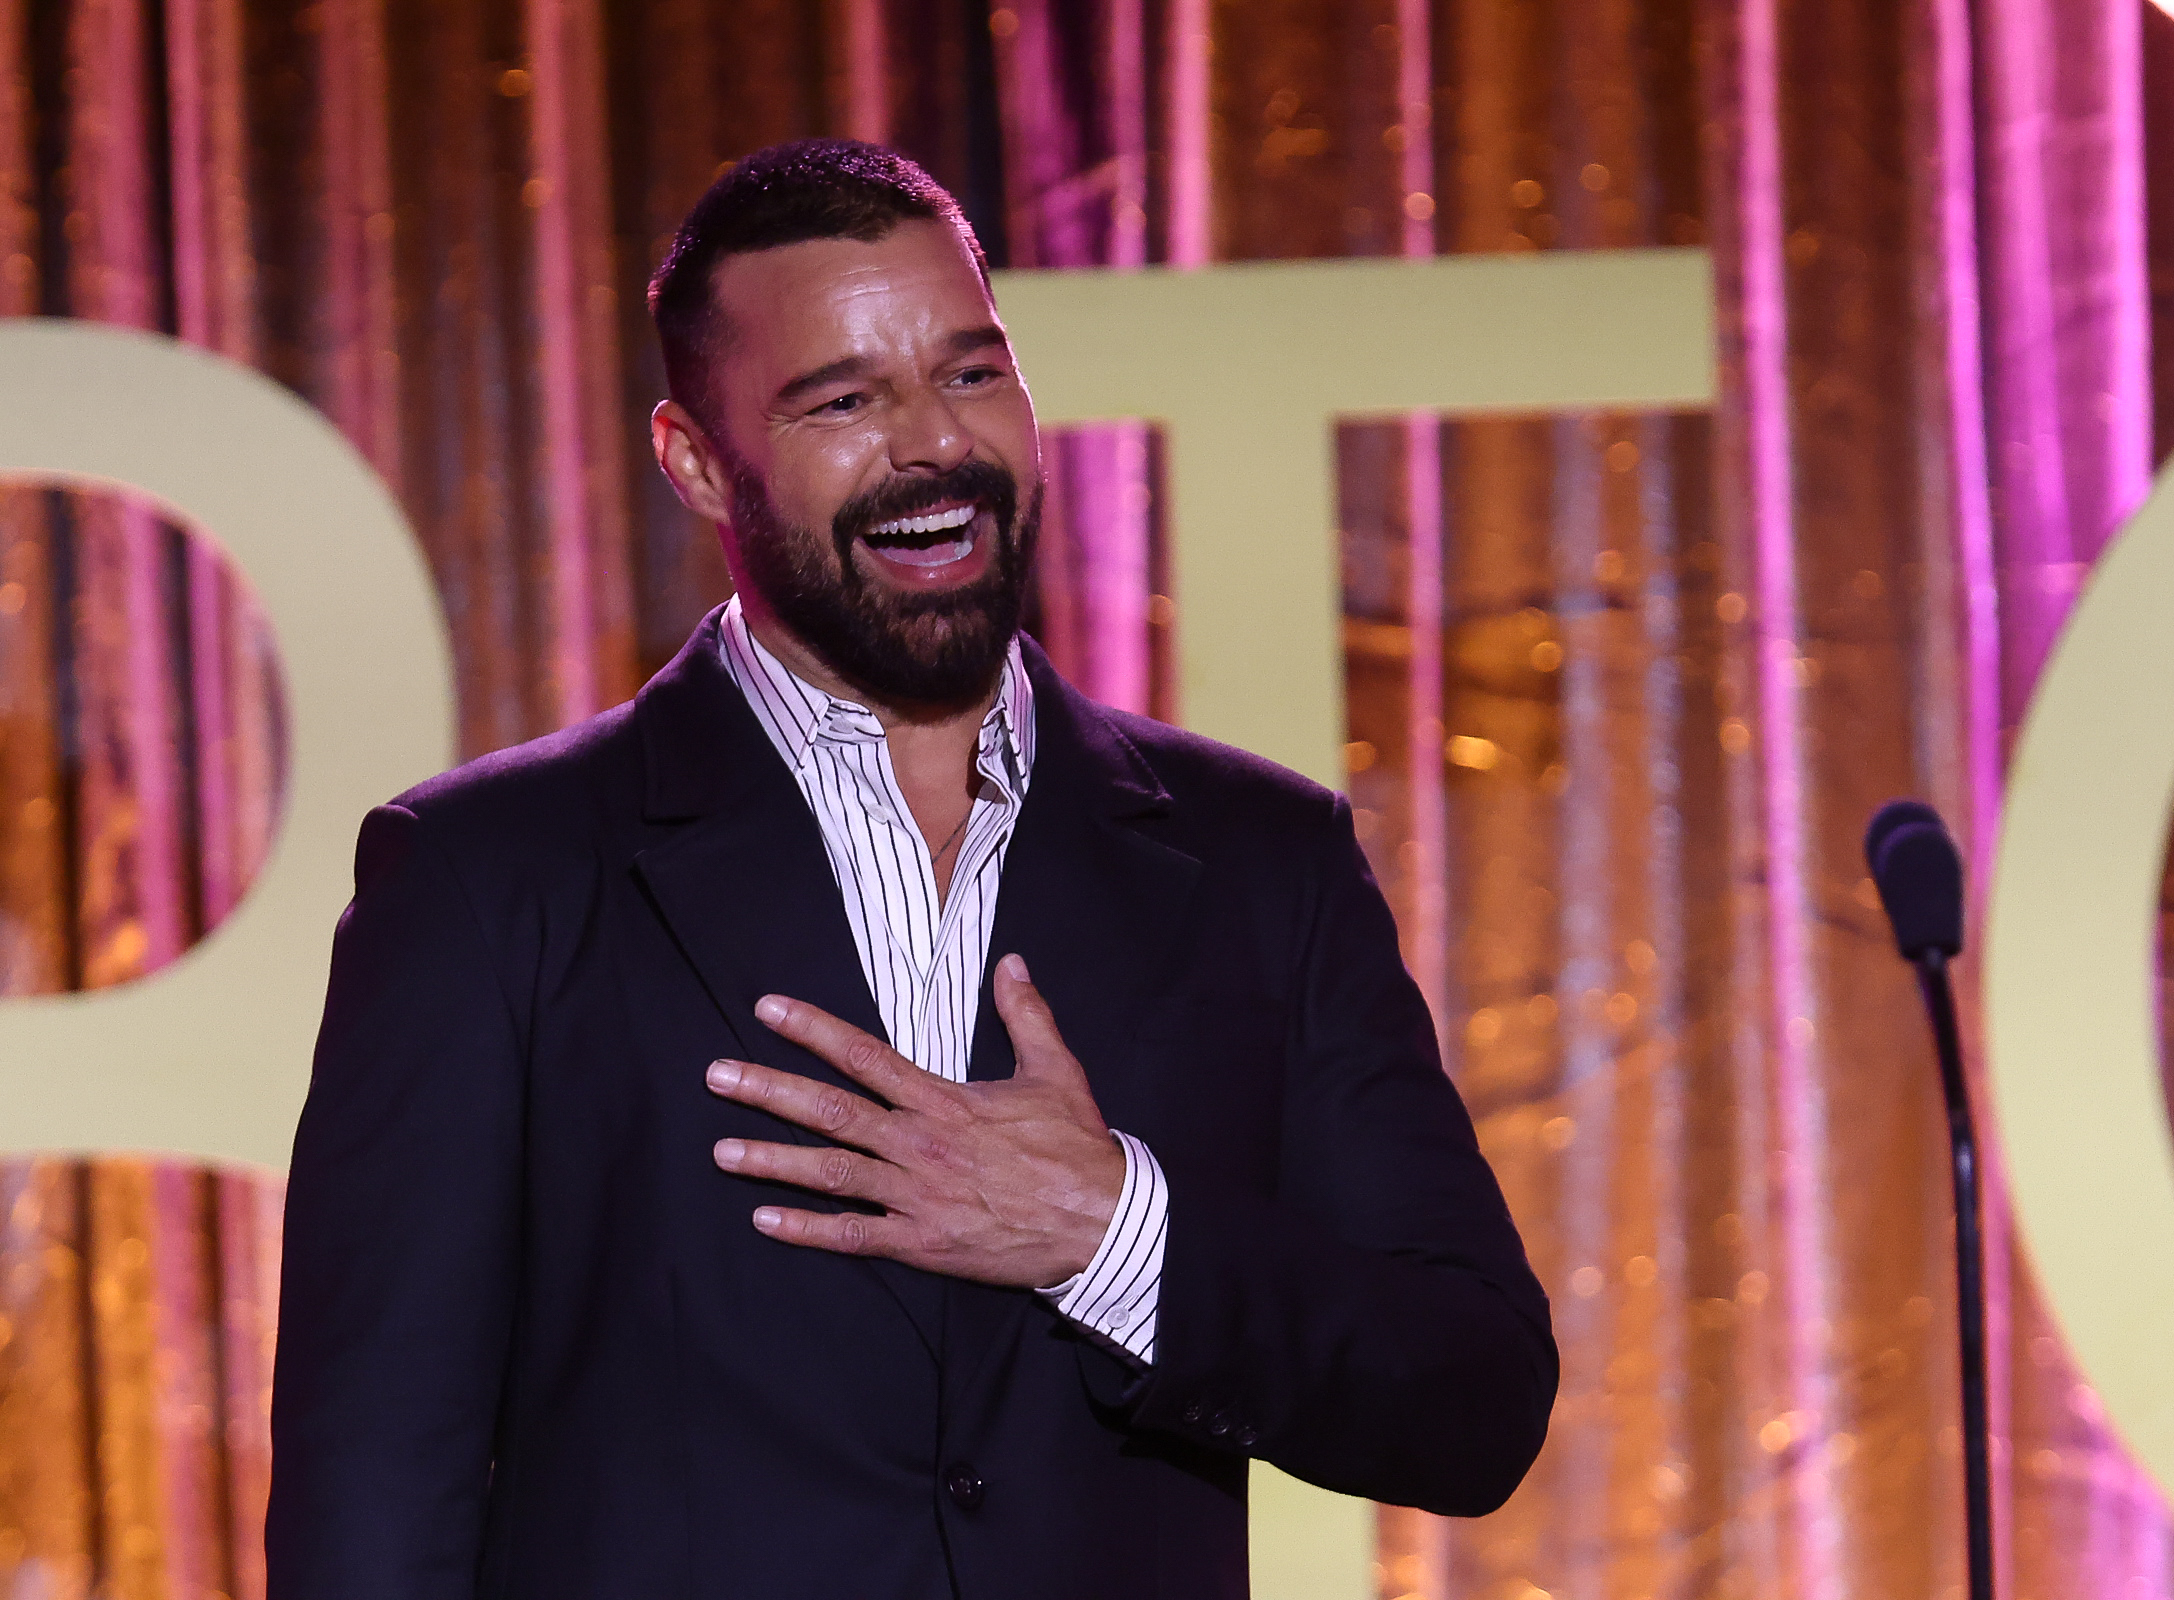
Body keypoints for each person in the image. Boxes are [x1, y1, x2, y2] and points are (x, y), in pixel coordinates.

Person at [266, 139, 1555, 1600]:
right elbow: (373, 1499)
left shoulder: (1262, 860)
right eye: (844, 401)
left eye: (971, 373)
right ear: (698, 461)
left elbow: (1475, 1403)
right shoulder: (489, 880)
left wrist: (1114, 1234)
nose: (932, 445)